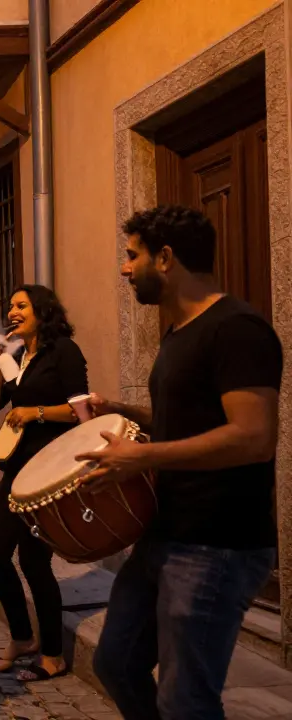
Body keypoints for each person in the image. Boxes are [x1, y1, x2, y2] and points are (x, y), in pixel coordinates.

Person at [80, 205, 281, 719]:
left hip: (217, 545)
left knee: (186, 699)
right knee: (117, 663)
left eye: (131, 256)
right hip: (165, 534)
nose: (124, 269)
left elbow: (253, 437)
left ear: (165, 257)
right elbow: (192, 421)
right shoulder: (177, 333)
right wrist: (125, 412)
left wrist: (141, 456)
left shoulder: (237, 329)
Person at [0, 285, 88, 682]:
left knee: (33, 560)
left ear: (42, 311)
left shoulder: (64, 351)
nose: (12, 310)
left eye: (21, 305)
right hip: (16, 469)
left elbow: (82, 410)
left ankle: (54, 655)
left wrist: (36, 412)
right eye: (9, 305)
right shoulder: (19, 356)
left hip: (49, 468)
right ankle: (23, 637)